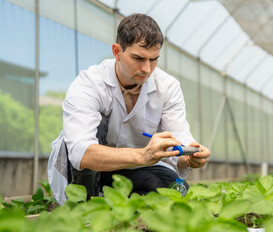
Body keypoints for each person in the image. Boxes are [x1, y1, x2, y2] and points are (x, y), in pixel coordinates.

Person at [48, 13, 211, 204]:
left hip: (130, 167)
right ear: (117, 51)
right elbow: (80, 153)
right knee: (98, 125)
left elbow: (179, 137)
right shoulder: (89, 84)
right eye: (138, 58)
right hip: (82, 171)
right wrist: (143, 155)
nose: (147, 69)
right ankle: (84, 208)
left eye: (154, 59)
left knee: (175, 189)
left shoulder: (167, 87)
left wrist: (190, 155)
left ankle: (121, 208)